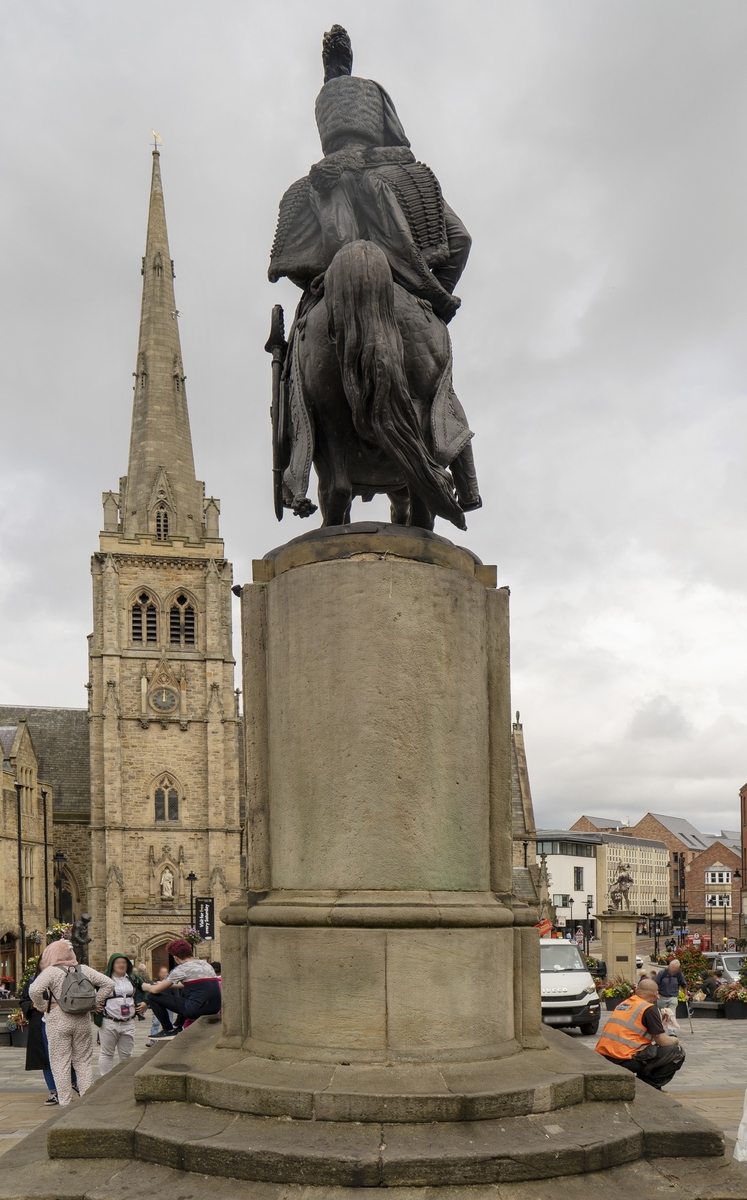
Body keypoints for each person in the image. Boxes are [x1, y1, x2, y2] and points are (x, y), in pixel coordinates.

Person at [29, 939, 113, 1107]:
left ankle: (66, 1105)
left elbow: (34, 990)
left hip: (58, 1021)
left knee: (60, 1063)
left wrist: (42, 1006)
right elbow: (109, 983)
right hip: (81, 1020)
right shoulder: (84, 969)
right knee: (83, 1062)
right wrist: (95, 1002)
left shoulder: (51, 971)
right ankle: (86, 1104)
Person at [596, 978, 686, 1090]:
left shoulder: (624, 1004)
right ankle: (648, 1086)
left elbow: (633, 1030)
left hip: (606, 1055)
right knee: (677, 1052)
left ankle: (642, 1083)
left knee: (653, 1050)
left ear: (636, 990)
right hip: (625, 1058)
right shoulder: (649, 1008)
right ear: (656, 994)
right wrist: (675, 1039)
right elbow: (663, 1041)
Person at [142, 939, 221, 1038]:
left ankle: (168, 1029)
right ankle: (178, 1025)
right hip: (215, 1007)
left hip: (196, 1009)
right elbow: (194, 984)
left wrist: (147, 986)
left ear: (175, 957)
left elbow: (155, 990)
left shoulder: (181, 969)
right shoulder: (206, 964)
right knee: (188, 991)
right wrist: (167, 984)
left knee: (152, 997)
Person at [94, 953, 147, 1075]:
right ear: (112, 964)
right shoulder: (103, 978)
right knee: (107, 1053)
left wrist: (145, 1002)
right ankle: (105, 1080)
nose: (121, 965)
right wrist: (93, 1006)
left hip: (128, 1022)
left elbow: (145, 989)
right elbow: (86, 991)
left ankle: (124, 1079)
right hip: (109, 1021)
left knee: (126, 1054)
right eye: (118, 963)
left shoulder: (133, 978)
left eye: (124, 963)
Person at [145, 966, 171, 1046]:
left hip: (169, 1006)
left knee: (169, 1023)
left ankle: (168, 1040)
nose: (164, 974)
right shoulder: (154, 983)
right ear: (159, 973)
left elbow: (175, 994)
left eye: (165, 972)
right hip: (158, 1006)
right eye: (162, 972)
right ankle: (153, 1041)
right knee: (155, 1022)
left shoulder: (171, 983)